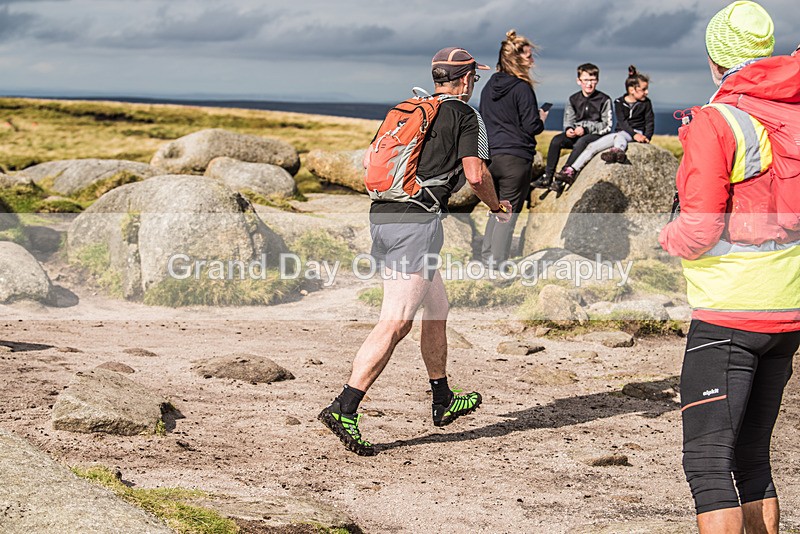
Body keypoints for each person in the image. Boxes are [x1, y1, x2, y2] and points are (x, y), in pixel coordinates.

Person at [319, 47, 513, 456]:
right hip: (416, 224)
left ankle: (442, 398)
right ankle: (345, 407)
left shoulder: (412, 107)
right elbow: (476, 175)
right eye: (473, 78)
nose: (474, 84)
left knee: (437, 307)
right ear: (464, 80)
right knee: (395, 323)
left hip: (385, 216)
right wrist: (496, 207)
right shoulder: (464, 114)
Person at [659, 2, 800, 532]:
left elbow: (697, 230)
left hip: (729, 310)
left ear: (716, 59)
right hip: (789, 304)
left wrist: (664, 236)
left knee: (708, 466)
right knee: (754, 461)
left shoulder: (716, 121)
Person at [478, 29, 548, 266]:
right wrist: (541, 119)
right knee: (506, 215)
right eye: (529, 56)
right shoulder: (522, 88)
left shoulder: (488, 88)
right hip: (515, 158)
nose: (532, 61)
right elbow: (531, 126)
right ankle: (497, 265)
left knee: (496, 211)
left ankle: (487, 258)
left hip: (491, 157)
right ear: (517, 59)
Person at [555, 66, 654, 181]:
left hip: (636, 133)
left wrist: (646, 137)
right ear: (632, 90)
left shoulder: (646, 103)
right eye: (644, 89)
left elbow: (650, 121)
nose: (646, 92)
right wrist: (633, 134)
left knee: (619, 136)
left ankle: (618, 151)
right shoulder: (619, 102)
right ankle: (571, 170)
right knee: (592, 146)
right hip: (622, 133)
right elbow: (622, 122)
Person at [532, 63, 611, 197]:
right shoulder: (573, 99)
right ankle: (547, 176)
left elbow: (607, 125)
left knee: (583, 141)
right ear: (578, 81)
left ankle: (564, 174)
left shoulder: (604, 99)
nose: (589, 84)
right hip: (576, 134)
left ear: (597, 80)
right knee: (557, 140)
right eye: (585, 80)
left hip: (594, 136)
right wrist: (569, 129)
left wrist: (586, 129)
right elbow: (569, 120)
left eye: (592, 80)